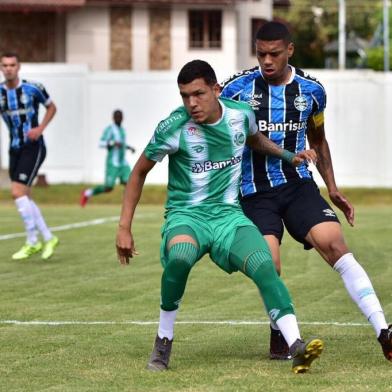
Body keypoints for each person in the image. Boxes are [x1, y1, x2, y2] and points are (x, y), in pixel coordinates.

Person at [116, 59, 324, 374]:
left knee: (265, 264)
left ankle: (296, 345)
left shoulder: (241, 115)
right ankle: (163, 339)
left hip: (229, 217)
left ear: (216, 89)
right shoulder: (173, 127)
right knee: (181, 256)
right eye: (185, 96)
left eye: (198, 94)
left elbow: (255, 140)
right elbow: (138, 173)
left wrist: (288, 156)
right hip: (187, 216)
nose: (191, 103)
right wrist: (124, 228)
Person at [220, 21, 392, 362]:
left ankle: (384, 332)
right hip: (255, 192)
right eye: (261, 54)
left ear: (290, 51)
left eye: (274, 54)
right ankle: (280, 336)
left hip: (298, 185)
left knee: (335, 243)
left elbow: (318, 140)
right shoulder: (236, 90)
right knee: (268, 263)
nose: (267, 61)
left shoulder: (311, 91)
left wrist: (333, 187)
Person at [0, 52, 59, 260]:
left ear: (19, 66)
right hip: (14, 148)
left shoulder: (33, 88)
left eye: (12, 65)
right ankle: (48, 237)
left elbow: (52, 107)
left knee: (17, 192)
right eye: (5, 65)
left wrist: (40, 128)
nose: (8, 68)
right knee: (24, 195)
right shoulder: (0, 92)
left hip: (33, 147)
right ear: (1, 68)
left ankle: (32, 241)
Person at [80, 109, 135, 207]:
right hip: (113, 163)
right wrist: (112, 143)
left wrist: (128, 147)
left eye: (120, 117)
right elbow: (101, 143)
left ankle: (128, 205)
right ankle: (87, 193)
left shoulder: (122, 130)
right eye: (117, 117)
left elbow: (121, 144)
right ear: (113, 118)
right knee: (108, 187)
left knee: (130, 182)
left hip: (123, 163)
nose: (119, 118)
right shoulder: (110, 129)